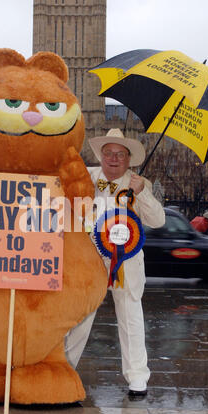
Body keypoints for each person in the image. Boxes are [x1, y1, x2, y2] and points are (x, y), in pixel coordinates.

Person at [65, 128, 165, 397]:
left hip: (126, 264)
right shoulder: (84, 176)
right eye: (108, 153)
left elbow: (158, 221)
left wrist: (141, 193)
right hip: (89, 263)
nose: (113, 158)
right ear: (100, 155)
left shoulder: (139, 182)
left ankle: (137, 378)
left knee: (131, 319)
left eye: (120, 154)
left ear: (128, 158)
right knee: (78, 318)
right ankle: (63, 369)